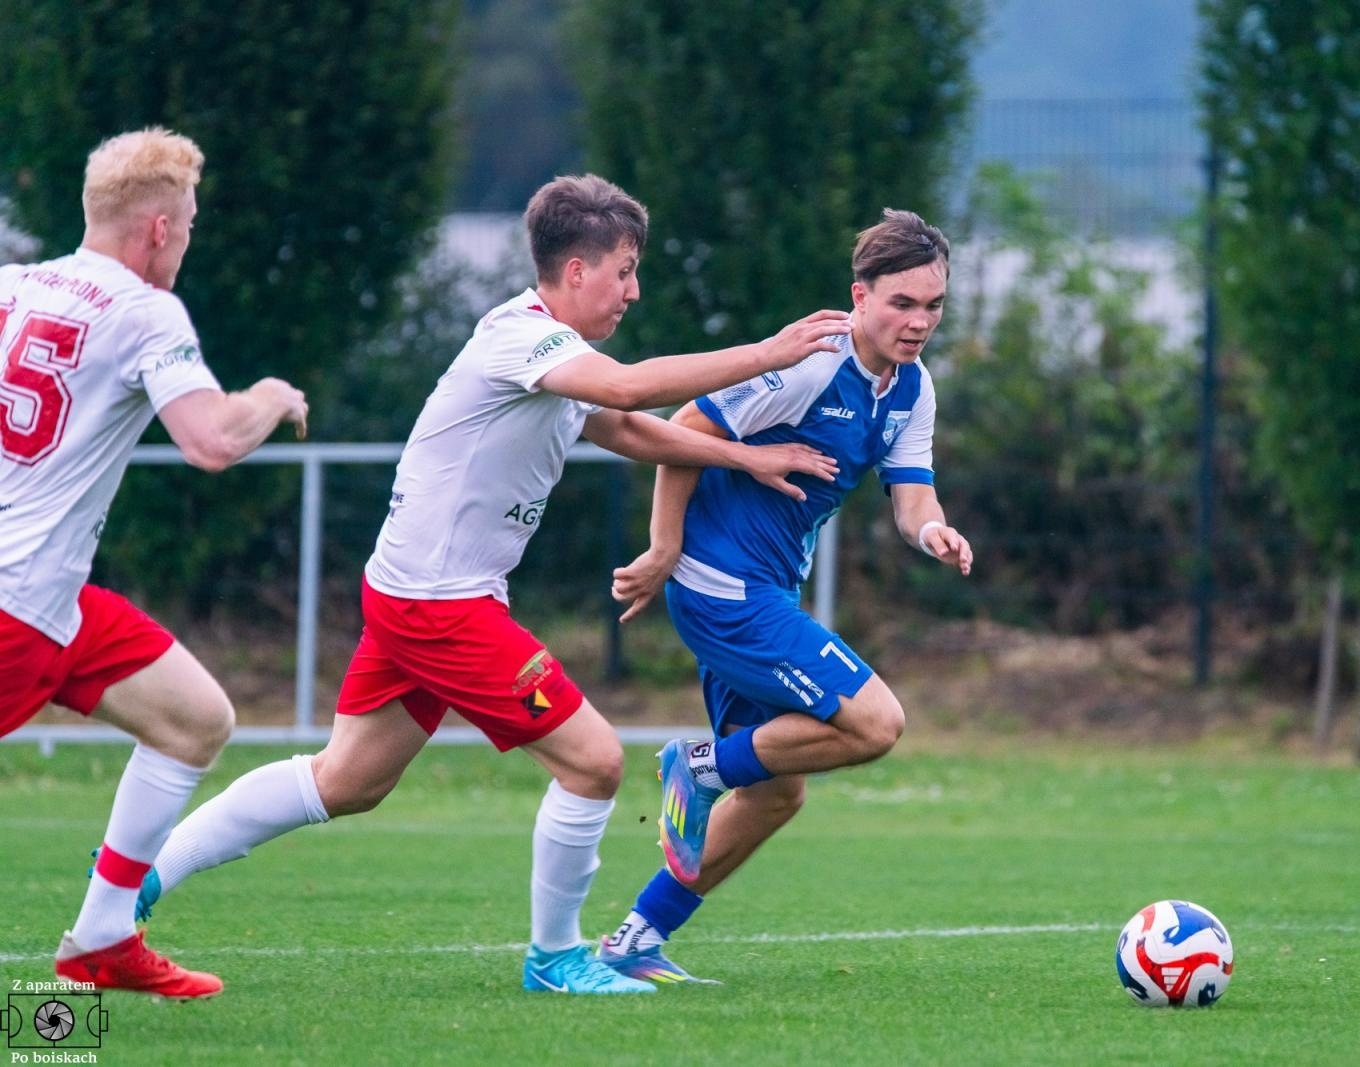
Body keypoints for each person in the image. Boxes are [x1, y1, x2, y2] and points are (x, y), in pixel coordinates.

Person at [135, 174, 848, 995]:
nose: (634, 289)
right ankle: (555, 958)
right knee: (593, 761)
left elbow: (618, 423)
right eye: (623, 270)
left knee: (348, 778)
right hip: (440, 602)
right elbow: (625, 389)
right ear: (574, 271)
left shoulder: (552, 353)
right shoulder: (522, 337)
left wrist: (745, 456)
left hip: (419, 591)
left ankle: (146, 872)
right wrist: (767, 353)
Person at [597, 209, 973, 985]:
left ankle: (634, 941)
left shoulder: (911, 389)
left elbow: (912, 498)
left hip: (759, 590)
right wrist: (665, 548)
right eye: (902, 303)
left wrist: (934, 531)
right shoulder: (813, 362)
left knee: (774, 793)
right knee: (876, 722)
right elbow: (684, 427)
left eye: (933, 306)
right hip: (722, 587)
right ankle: (698, 766)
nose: (919, 322)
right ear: (859, 296)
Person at [0, 127, 310, 999]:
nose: (189, 240)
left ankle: (101, 934)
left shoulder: (13, 286)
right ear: (161, 231)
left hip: (53, 598)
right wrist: (269, 397)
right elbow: (212, 440)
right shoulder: (145, 310)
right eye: (193, 225)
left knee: (195, 718)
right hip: (16, 605)